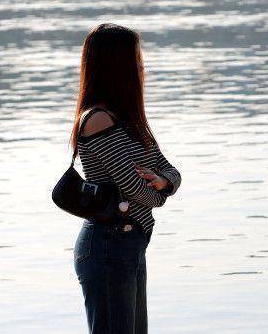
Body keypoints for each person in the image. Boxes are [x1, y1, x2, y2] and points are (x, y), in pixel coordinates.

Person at [71, 23, 182, 334]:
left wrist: (165, 181)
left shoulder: (130, 119)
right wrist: (159, 193)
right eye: (136, 58)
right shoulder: (97, 120)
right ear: (116, 65)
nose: (141, 66)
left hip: (129, 242)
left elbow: (170, 169)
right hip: (108, 243)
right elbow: (132, 187)